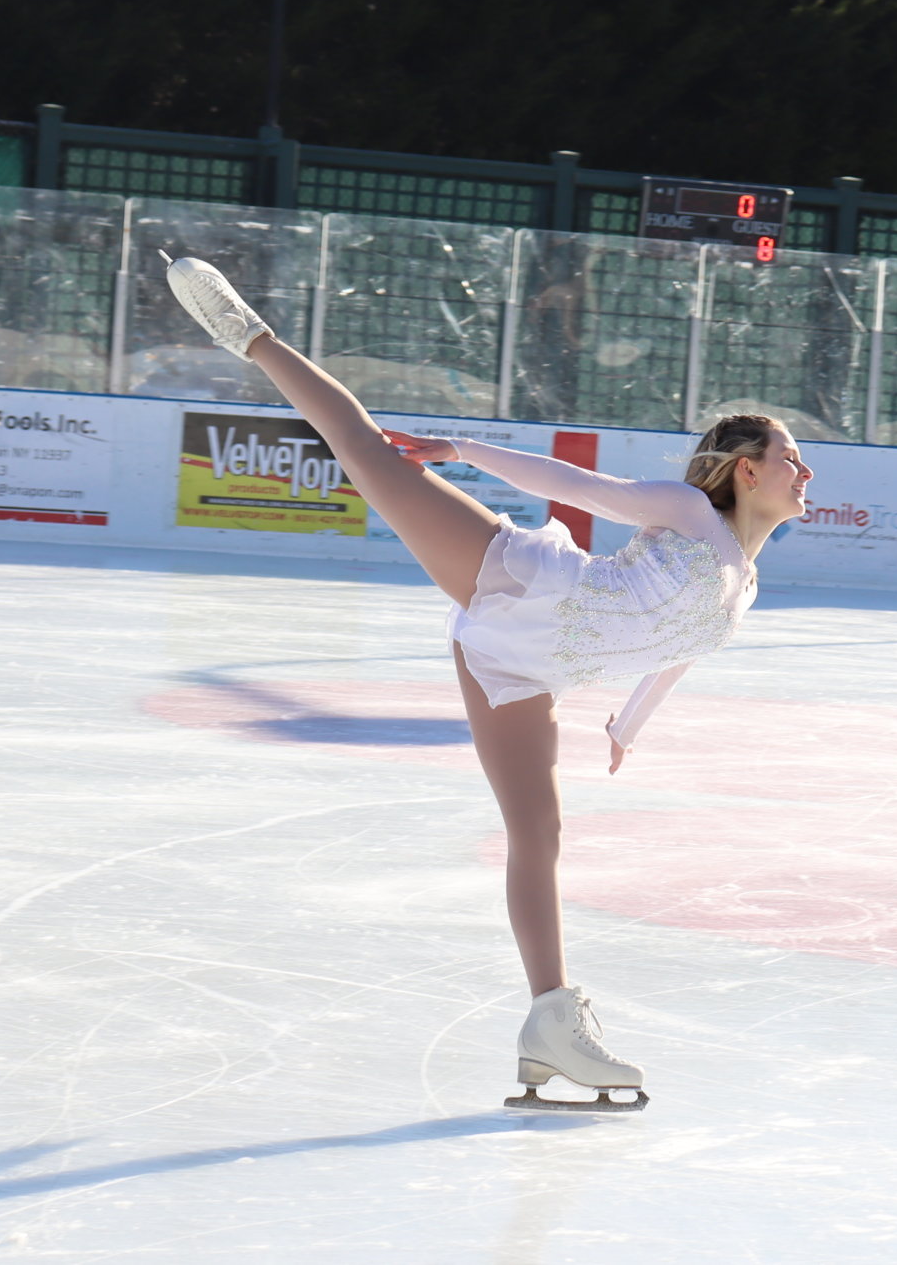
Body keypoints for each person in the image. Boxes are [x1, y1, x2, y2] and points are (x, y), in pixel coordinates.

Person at [163, 253, 813, 1113]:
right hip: (519, 581)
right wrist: (461, 449)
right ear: (747, 472)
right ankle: (253, 335)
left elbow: (677, 650)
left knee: (537, 834)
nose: (807, 473)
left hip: (520, 663)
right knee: (368, 452)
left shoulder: (746, 585)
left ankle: (550, 1021)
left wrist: (628, 727)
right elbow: (583, 487)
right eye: (792, 457)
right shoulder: (692, 514)